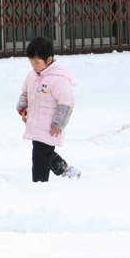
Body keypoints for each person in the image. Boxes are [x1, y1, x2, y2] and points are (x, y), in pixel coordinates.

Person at [16, 36, 81, 182]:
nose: (33, 65)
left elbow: (67, 101)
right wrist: (23, 108)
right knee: (45, 153)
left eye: (37, 62)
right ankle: (66, 170)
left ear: (49, 60)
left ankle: (39, 182)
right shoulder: (32, 75)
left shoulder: (58, 78)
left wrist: (59, 122)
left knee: (40, 155)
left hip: (49, 125)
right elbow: (26, 92)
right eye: (31, 61)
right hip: (35, 122)